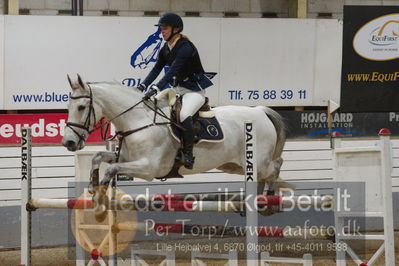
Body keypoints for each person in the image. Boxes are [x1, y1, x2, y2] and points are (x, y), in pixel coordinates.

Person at [137, 12, 213, 169]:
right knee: (154, 107)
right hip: (177, 91)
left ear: (176, 29)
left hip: (193, 92)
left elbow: (172, 71)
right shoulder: (166, 48)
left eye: (165, 28)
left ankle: (188, 154)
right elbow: (156, 69)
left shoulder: (186, 47)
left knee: (184, 114)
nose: (162, 32)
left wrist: (156, 87)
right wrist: (142, 86)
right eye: (161, 29)